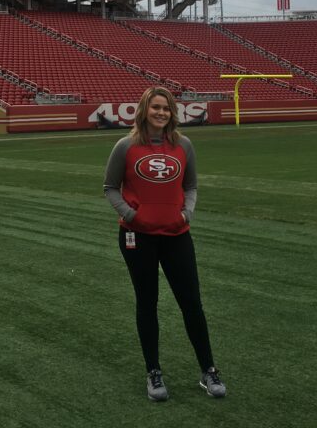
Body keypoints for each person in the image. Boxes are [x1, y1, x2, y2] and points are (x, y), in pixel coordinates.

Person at [103, 86, 226, 401]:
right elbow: (110, 187)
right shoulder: (125, 146)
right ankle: (153, 372)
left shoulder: (183, 145)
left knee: (192, 303)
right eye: (155, 107)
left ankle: (208, 369)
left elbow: (192, 185)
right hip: (137, 238)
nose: (161, 113)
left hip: (176, 236)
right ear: (144, 110)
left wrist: (186, 215)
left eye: (167, 108)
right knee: (147, 303)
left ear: (173, 113)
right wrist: (132, 215)